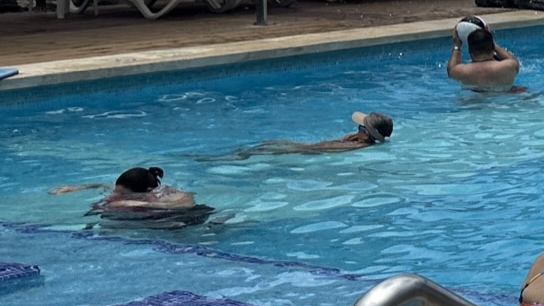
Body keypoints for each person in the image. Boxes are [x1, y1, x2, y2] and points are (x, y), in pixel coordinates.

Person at [51, 166, 208, 224]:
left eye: (123, 195)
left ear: (147, 191)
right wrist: (77, 187)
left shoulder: (169, 194)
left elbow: (187, 202)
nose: (116, 195)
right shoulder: (128, 189)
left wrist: (143, 204)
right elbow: (103, 185)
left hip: (180, 218)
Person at [241, 111, 394, 155]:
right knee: (269, 143)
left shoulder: (354, 147)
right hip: (310, 147)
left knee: (263, 150)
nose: (356, 130)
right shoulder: (357, 140)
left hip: (309, 150)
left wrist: (294, 148)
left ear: (367, 134)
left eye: (360, 128)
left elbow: (313, 149)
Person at [446, 16, 519, 89]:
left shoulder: (462, 71)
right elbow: (513, 61)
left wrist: (457, 45)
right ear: (492, 48)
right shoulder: (508, 66)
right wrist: (494, 44)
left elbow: (450, 70)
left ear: (469, 51)